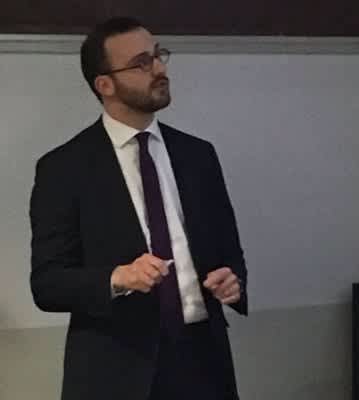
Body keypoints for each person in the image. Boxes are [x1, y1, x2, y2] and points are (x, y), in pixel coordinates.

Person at [29, 16, 248, 400]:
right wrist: (118, 277)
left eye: (159, 55)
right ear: (105, 85)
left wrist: (232, 281)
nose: (159, 69)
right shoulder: (63, 168)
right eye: (141, 63)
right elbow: (47, 284)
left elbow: (231, 253)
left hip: (203, 362)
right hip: (116, 371)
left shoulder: (198, 155)